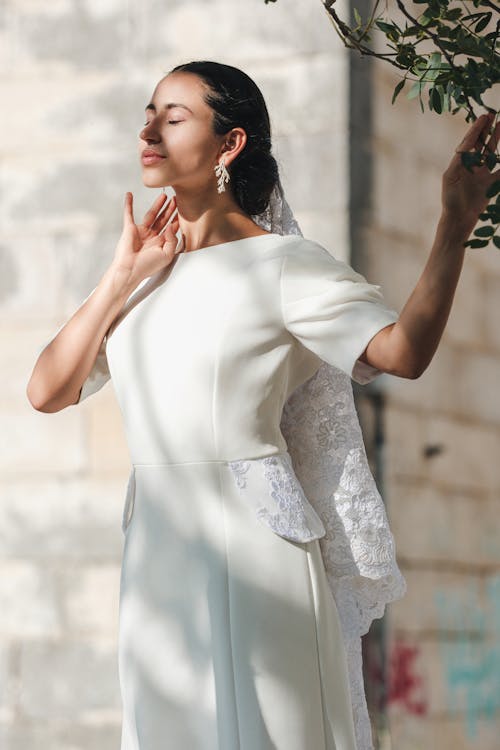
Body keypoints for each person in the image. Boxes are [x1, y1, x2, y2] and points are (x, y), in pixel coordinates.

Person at [26, 60, 499, 750]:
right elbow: (47, 390)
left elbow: (402, 352)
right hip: (158, 548)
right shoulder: (144, 276)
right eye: (149, 111)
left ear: (231, 144)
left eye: (175, 116)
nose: (149, 128)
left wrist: (453, 226)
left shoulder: (282, 265)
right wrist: (121, 272)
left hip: (253, 544)